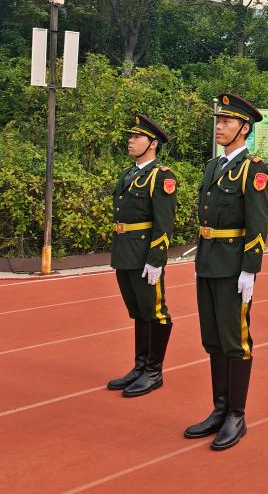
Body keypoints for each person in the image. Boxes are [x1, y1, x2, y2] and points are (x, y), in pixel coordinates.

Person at [183, 94, 268, 451]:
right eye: (218, 121)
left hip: (234, 266)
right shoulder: (213, 166)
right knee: (213, 338)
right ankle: (219, 408)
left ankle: (236, 414)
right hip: (208, 261)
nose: (220, 127)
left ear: (244, 128)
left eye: (227, 122)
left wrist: (250, 270)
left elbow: (258, 225)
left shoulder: (253, 169)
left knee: (235, 339)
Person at [107, 114, 177, 397]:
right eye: (131, 136)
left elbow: (164, 222)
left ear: (153, 143)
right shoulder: (129, 173)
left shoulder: (161, 176)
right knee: (138, 311)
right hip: (125, 252)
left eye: (137, 137)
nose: (130, 141)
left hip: (144, 254)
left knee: (155, 312)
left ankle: (154, 371)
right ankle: (140, 367)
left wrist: (156, 259)